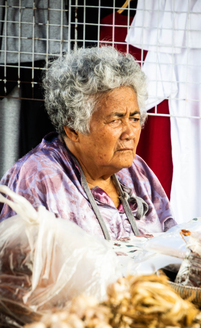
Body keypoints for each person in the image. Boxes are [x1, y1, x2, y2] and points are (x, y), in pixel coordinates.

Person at [0, 46, 176, 239]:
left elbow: (171, 238)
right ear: (74, 129)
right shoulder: (38, 177)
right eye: (115, 120)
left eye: (134, 119)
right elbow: (19, 264)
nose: (130, 133)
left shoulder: (136, 170)